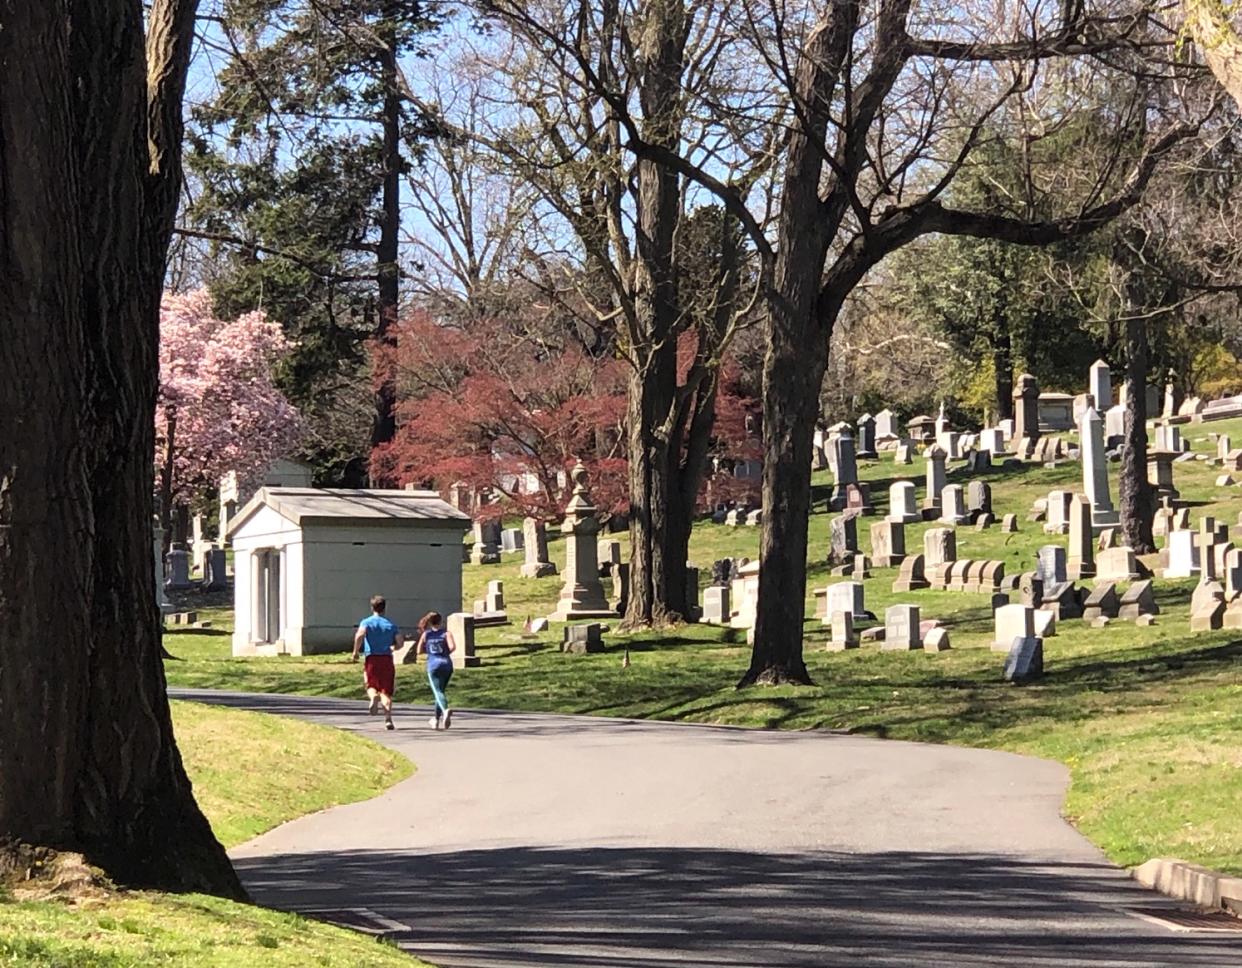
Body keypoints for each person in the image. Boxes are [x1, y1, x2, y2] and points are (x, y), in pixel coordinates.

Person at [352, 595, 403, 730]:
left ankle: (373, 697)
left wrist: (355, 651)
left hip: (372, 658)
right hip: (386, 659)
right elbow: (400, 642)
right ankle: (388, 719)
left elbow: (360, 635)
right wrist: (394, 647)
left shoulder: (366, 622)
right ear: (384, 608)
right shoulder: (390, 625)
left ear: (372, 607)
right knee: (386, 691)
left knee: (370, 684)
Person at [415, 611, 456, 730]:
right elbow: (453, 647)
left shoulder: (426, 634)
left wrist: (428, 651)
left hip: (433, 665)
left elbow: (418, 650)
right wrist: (445, 652)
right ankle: (436, 720)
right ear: (441, 621)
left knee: (437, 692)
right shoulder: (446, 633)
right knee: (440, 692)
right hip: (447, 665)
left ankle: (445, 710)